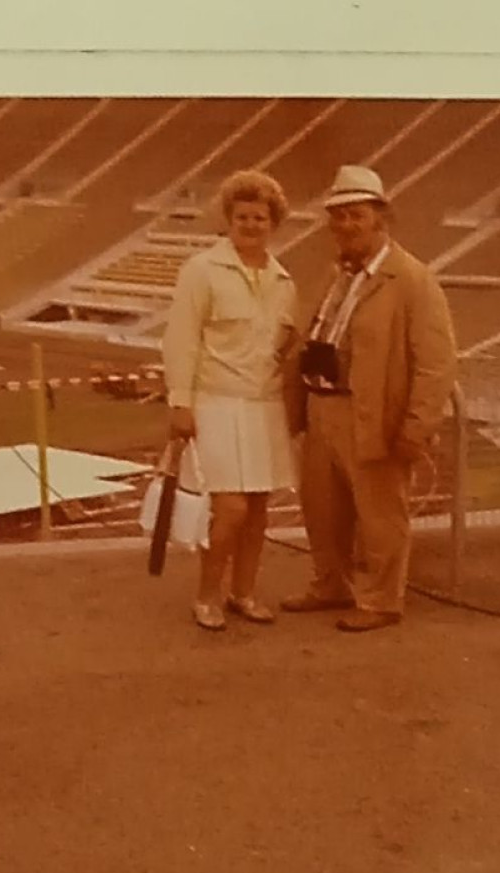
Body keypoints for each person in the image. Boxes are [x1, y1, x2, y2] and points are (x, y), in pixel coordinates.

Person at [281, 165, 458, 632]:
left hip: (372, 413)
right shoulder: (332, 274)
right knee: (322, 508)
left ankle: (382, 600)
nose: (344, 226)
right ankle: (330, 585)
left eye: (355, 215)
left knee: (381, 515)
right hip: (321, 407)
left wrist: (415, 429)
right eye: (337, 217)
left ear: (381, 217)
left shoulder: (413, 280)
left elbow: (435, 363)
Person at [162, 170, 299, 631]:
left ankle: (243, 592)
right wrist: (181, 402)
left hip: (264, 405)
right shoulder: (201, 270)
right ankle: (206, 595)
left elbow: (282, 344)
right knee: (231, 509)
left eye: (260, 217)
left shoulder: (284, 281)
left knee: (258, 509)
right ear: (229, 218)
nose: (251, 224)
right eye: (242, 215)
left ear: (273, 222)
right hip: (216, 402)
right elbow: (181, 339)